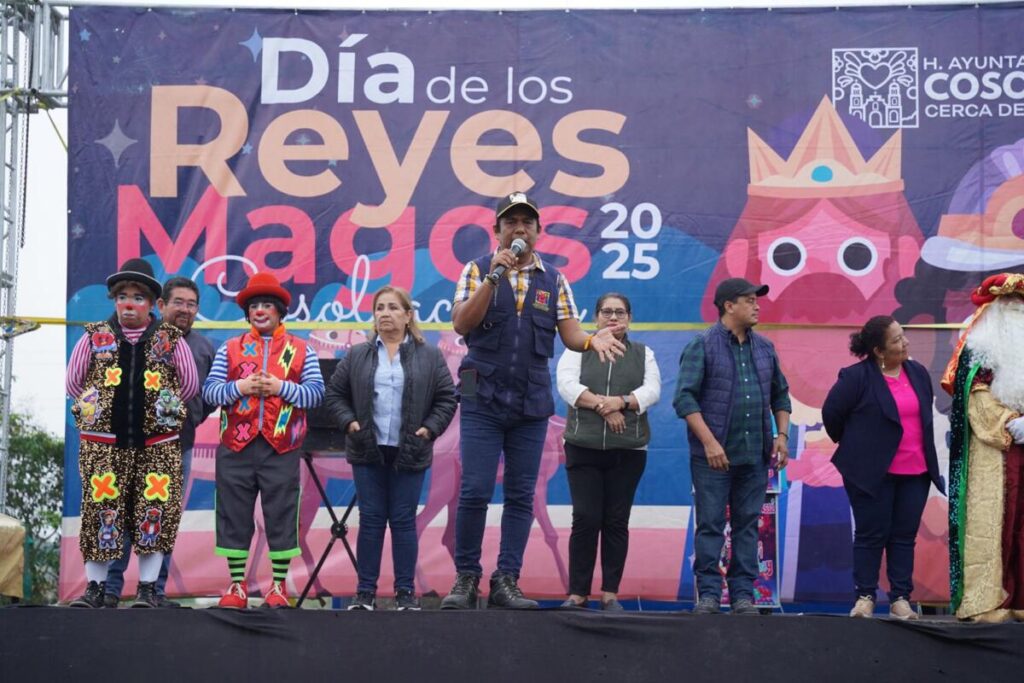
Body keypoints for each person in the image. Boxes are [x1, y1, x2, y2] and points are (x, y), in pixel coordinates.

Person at [441, 191, 626, 610]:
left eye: (527, 222)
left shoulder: (554, 280)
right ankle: (466, 578)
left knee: (522, 495)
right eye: (511, 222)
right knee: (473, 490)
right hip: (481, 398)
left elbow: (571, 333)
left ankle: (507, 580)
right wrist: (493, 276)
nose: (519, 229)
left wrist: (592, 340)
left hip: (530, 403)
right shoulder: (476, 270)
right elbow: (461, 323)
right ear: (497, 231)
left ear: (539, 232)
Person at [66, 258, 199, 608]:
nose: (129, 303)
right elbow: (73, 383)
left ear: (153, 304)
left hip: (157, 446)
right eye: (122, 295)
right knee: (100, 513)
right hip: (103, 447)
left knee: (153, 513)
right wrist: (101, 407)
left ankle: (146, 589)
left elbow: (188, 385)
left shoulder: (170, 340)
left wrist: (160, 408)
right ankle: (94, 589)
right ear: (113, 300)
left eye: (138, 297)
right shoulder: (95, 337)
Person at [324, 286, 457, 611]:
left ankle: (405, 594)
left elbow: (446, 398)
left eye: (393, 307)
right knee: (370, 520)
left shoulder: (429, 355)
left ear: (408, 315)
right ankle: (365, 593)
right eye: (379, 307)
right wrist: (350, 423)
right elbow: (334, 395)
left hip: (410, 449)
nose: (385, 313)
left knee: (402, 521)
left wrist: (431, 428)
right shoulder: (358, 354)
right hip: (367, 448)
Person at [202, 272, 324, 609]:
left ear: (280, 311)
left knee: (282, 514)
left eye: (267, 304)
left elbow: (316, 395)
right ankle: (237, 586)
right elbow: (209, 392)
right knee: (233, 514)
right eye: (254, 305)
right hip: (235, 447)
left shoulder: (302, 350)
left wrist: (280, 388)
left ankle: (279, 587)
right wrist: (239, 388)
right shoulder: (229, 350)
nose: (260, 310)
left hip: (282, 446)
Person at [673, 277, 791, 615]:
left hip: (755, 455)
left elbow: (781, 395)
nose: (757, 306)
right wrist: (710, 443)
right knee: (710, 524)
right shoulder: (703, 345)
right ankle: (709, 594)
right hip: (712, 458)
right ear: (728, 305)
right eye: (750, 300)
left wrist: (781, 437)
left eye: (756, 300)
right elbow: (684, 399)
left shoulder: (765, 347)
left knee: (747, 525)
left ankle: (743, 595)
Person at [103, 276, 216, 608]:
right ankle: (110, 589)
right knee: (121, 515)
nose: (185, 309)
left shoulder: (205, 347)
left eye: (191, 304)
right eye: (178, 302)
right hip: (130, 444)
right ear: (161, 305)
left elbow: (206, 396)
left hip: (179, 445)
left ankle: (154, 592)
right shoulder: (138, 340)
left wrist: (190, 415)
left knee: (161, 518)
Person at [822, 315, 943, 620]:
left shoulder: (916, 372)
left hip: (916, 471)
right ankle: (865, 597)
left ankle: (900, 598)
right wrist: (858, 448)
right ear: (878, 350)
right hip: (871, 473)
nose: (905, 343)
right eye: (897, 340)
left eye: (903, 336)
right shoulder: (856, 377)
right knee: (870, 534)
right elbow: (832, 415)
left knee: (903, 536)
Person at [555, 293, 661, 610]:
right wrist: (605, 406)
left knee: (616, 520)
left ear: (629, 318)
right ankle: (577, 593)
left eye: (619, 312)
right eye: (606, 312)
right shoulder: (578, 349)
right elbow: (567, 385)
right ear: (596, 317)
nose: (612, 317)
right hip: (582, 447)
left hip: (628, 451)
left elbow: (652, 390)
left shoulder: (644, 354)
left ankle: (610, 593)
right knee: (586, 518)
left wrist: (623, 402)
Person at [942, 273, 1024, 623]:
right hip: (994, 447)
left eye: (1020, 304)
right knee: (994, 522)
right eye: (1008, 303)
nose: (1015, 310)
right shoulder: (979, 346)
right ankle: (986, 601)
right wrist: (1009, 422)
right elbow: (972, 396)